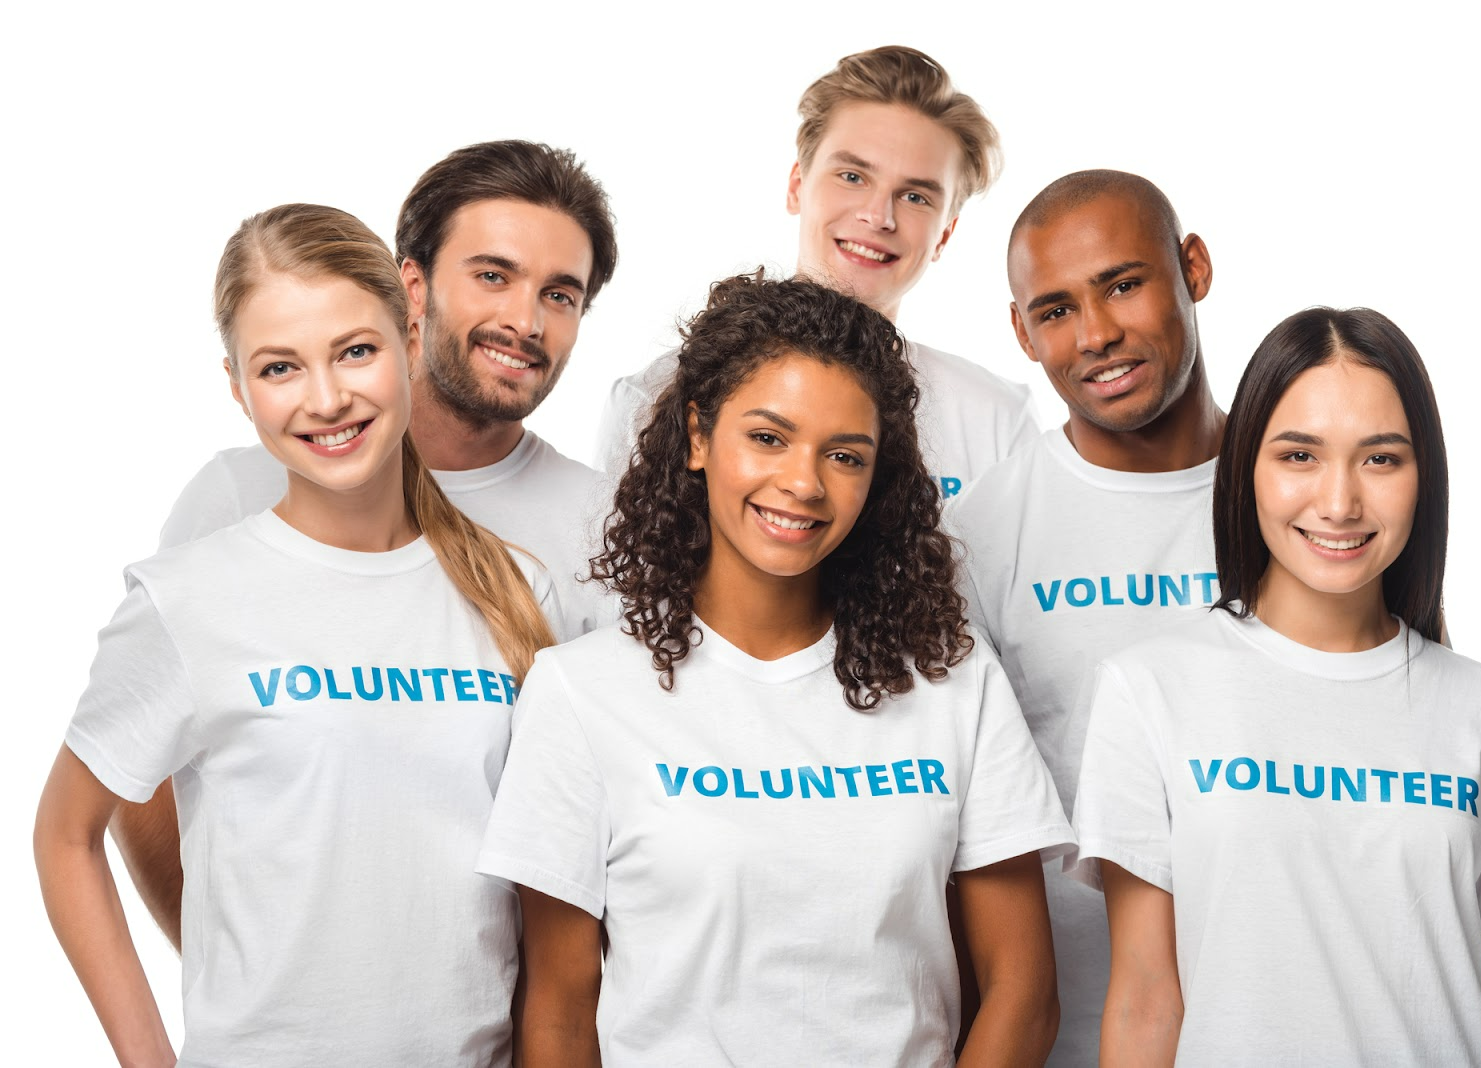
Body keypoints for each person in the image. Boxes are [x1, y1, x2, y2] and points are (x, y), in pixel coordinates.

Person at [477, 272, 1073, 1065]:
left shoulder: (956, 688)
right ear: (697, 437)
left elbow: (1023, 992)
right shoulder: (582, 694)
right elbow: (557, 1009)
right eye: (768, 437)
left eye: (845, 455)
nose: (803, 482)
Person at [34, 204, 561, 1066]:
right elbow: (65, 835)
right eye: (281, 367)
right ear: (239, 387)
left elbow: (546, 883)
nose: (327, 398)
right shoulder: (187, 600)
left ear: (409, 340)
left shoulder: (514, 588)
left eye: (356, 350)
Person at [112, 139, 618, 950]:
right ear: (410, 287)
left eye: (560, 294)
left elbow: (606, 824)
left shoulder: (608, 528)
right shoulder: (241, 494)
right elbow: (140, 780)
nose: (525, 321)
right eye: (493, 274)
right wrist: (239, 976)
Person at [1074, 307, 1481, 1065]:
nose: (1341, 503)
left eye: (1381, 459)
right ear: (1247, 464)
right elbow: (1146, 1003)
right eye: (1299, 456)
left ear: (1425, 478)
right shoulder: (1150, 690)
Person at [945, 169, 1224, 1064]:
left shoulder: (1309, 502)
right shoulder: (978, 535)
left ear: (1194, 267)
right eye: (1057, 310)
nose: (1097, 335)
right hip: (1073, 1029)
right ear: (1022, 333)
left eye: (1124, 284)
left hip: (1290, 1006)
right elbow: (951, 824)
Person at [594, 45, 1036, 501]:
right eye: (852, 176)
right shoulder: (650, 399)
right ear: (797, 187)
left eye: (916, 197)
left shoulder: (996, 419)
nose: (877, 215)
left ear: (944, 235)